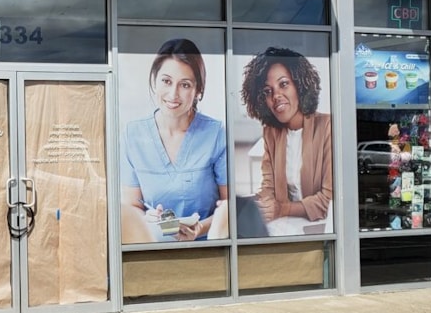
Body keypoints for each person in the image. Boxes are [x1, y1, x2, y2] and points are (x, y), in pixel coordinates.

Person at [121, 38, 228, 241]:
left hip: (207, 251)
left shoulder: (215, 134)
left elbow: (230, 210)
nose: (173, 94)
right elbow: (131, 207)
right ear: (154, 81)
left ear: (198, 91)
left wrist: (199, 229)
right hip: (152, 250)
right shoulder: (132, 135)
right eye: (166, 81)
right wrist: (146, 217)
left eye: (185, 85)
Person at [240, 46, 332, 225]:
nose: (276, 96)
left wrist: (282, 209)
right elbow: (269, 187)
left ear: (300, 85)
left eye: (283, 84)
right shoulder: (271, 133)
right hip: (288, 228)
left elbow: (329, 198)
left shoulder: (328, 126)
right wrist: (259, 205)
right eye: (267, 91)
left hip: (327, 230)